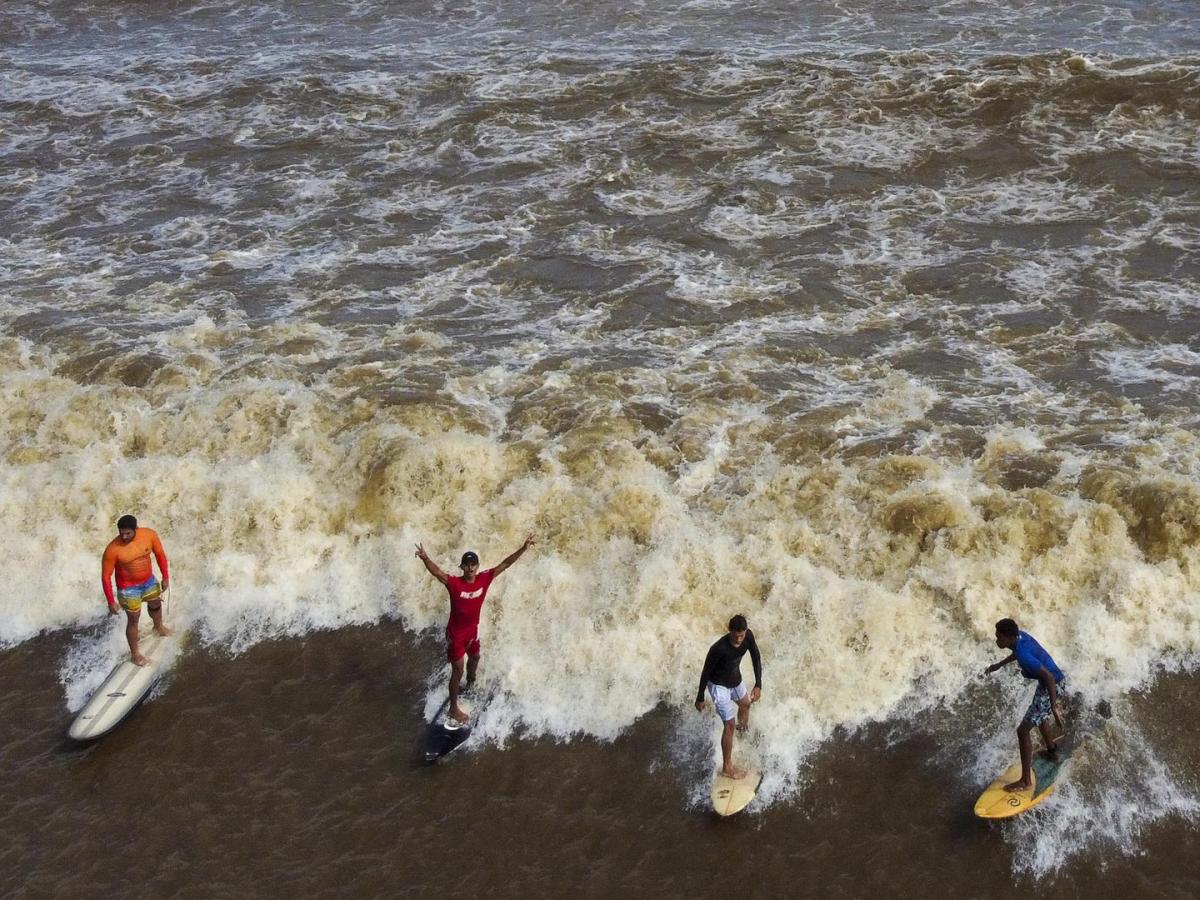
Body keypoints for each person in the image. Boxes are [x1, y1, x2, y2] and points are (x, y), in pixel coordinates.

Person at [415, 535, 536, 724]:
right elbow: (437, 572)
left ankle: (470, 685)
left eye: (473, 565)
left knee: (475, 658)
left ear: (477, 567)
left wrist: (523, 548)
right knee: (458, 670)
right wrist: (425, 558)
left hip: (472, 631)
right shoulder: (454, 584)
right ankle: (454, 709)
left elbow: (504, 564)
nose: (470, 568)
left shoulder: (484, 579)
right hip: (456, 635)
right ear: (461, 567)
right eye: (467, 565)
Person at [985, 617, 1067, 792]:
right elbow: (1017, 653)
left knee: (1023, 731)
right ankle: (1052, 752)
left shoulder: (1023, 655)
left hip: (1051, 684)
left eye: (999, 637)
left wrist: (1053, 706)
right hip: (1050, 683)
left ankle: (1025, 781)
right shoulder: (1020, 637)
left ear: (1008, 638)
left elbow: (1048, 677)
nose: (997, 640)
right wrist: (999, 665)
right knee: (1040, 717)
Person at [695, 614, 763, 779]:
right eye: (736, 635)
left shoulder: (748, 637)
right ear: (729, 631)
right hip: (719, 686)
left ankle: (742, 733)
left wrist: (758, 684)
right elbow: (706, 672)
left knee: (746, 704)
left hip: (735, 679)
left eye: (742, 634)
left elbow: (756, 658)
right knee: (729, 724)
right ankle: (727, 766)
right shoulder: (719, 648)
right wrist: (700, 697)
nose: (739, 639)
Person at [101, 514, 171, 666]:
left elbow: (160, 555)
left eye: (128, 533)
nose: (124, 536)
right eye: (121, 533)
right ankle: (135, 655)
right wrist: (111, 601)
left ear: (136, 529)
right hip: (128, 589)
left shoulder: (149, 535)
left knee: (155, 603)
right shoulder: (113, 549)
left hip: (148, 581)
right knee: (134, 619)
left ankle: (158, 627)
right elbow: (106, 576)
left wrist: (165, 577)